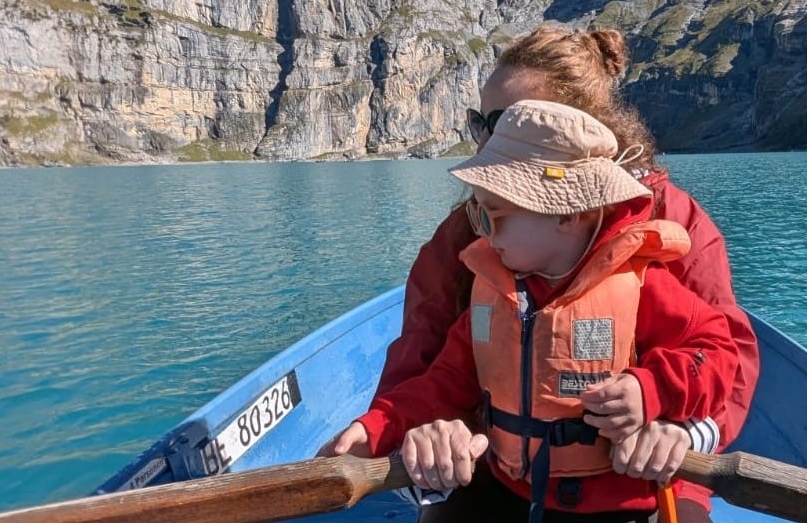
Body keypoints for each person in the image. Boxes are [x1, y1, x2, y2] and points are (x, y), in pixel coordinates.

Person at [324, 26, 759, 517]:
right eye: (480, 123)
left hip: (643, 473)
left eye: (506, 122)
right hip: (499, 466)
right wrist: (408, 433)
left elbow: (727, 360)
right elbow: (427, 376)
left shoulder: (670, 228)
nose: (488, 143)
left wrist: (678, 429)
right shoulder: (473, 244)